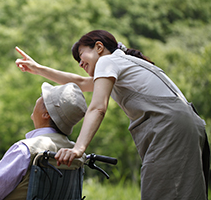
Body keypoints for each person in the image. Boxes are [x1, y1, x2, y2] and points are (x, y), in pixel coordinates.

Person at [15, 30, 210, 200]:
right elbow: (82, 83)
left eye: (82, 55)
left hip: (171, 129)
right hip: (188, 126)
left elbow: (98, 107)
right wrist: (38, 69)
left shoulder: (108, 61)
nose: (80, 62)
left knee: (162, 192)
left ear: (99, 47)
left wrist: (78, 149)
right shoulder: (121, 63)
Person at [0, 82, 87, 200]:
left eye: (42, 96)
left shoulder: (25, 149)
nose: (39, 98)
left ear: (46, 114)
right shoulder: (77, 155)